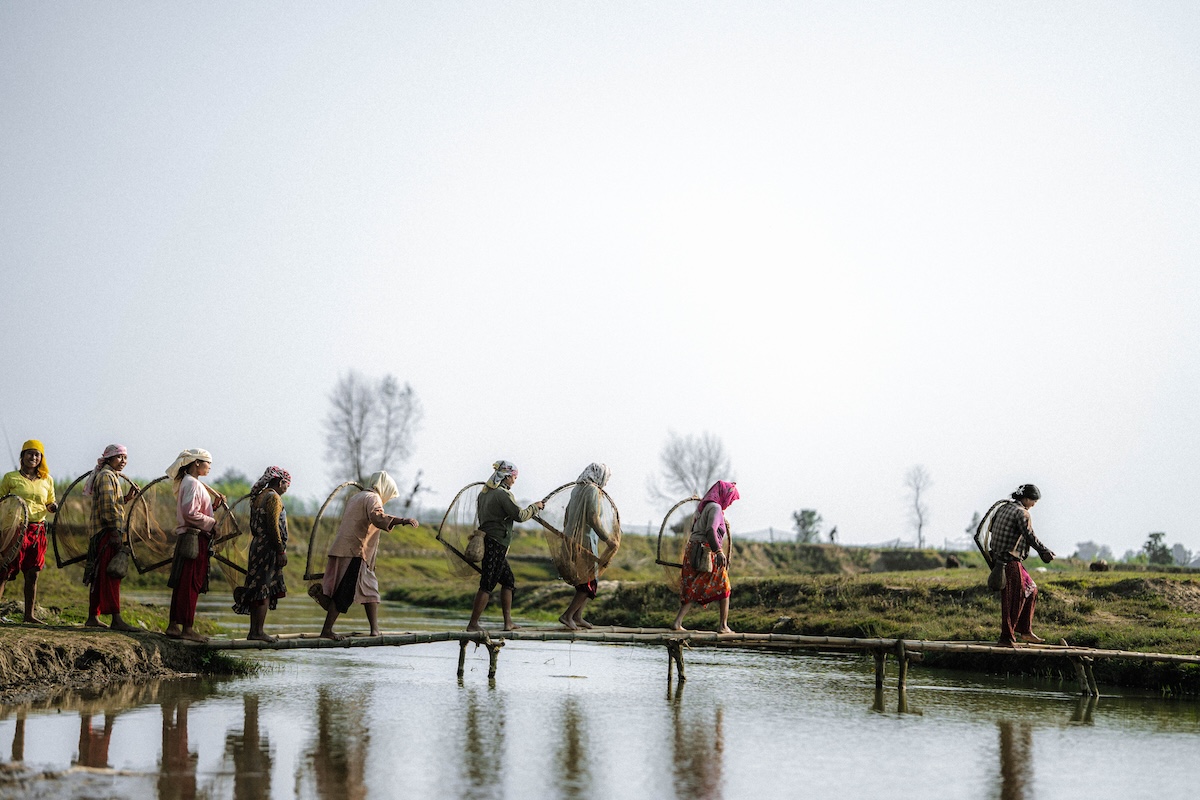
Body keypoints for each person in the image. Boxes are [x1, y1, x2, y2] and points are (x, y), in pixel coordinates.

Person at [318, 471, 417, 640]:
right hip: (355, 550)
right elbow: (377, 518)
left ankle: (374, 630)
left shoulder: (357, 497)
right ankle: (327, 630)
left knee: (370, 588)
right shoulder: (373, 498)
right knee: (345, 591)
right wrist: (403, 520)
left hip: (350, 549)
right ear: (384, 488)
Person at [466, 461, 544, 632]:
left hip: (491, 540)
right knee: (487, 583)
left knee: (508, 581)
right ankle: (473, 624)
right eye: (514, 477)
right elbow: (520, 516)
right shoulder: (503, 495)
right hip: (496, 542)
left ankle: (508, 623)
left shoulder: (485, 493)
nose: (514, 481)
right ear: (507, 476)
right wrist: (535, 507)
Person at [164, 448, 224, 642]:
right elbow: (190, 513)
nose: (209, 467)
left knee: (183, 582)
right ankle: (187, 628)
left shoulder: (191, 483)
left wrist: (213, 508)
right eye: (208, 463)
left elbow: (195, 510)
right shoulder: (192, 483)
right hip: (194, 539)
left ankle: (174, 625)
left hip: (191, 537)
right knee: (190, 583)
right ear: (196, 463)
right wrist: (213, 523)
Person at [988, 483, 1054, 646]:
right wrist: (1044, 551)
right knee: (1012, 599)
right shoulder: (1022, 513)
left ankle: (1025, 631)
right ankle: (1007, 637)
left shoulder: (1003, 508)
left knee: (1031, 589)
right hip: (1009, 561)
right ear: (1026, 499)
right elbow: (1030, 536)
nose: (1033, 505)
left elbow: (990, 530)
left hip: (999, 558)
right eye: (1034, 502)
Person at [0, 440, 59, 623]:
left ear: (41, 458)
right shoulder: (11, 478)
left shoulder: (46, 479)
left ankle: (29, 615)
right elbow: (2, 501)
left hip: (37, 530)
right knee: (4, 570)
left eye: (37, 455)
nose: (33, 457)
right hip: (15, 529)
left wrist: (52, 506)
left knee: (33, 573)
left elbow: (50, 500)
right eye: (29, 454)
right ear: (22, 456)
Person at [82, 444, 139, 630]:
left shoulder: (109, 475)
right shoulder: (107, 476)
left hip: (103, 531)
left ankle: (93, 616)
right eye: (119, 457)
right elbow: (108, 508)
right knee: (112, 574)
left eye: (125, 457)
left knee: (99, 574)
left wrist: (127, 499)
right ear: (108, 459)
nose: (123, 461)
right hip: (107, 532)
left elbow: (113, 503)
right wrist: (115, 532)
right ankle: (116, 619)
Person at [233, 466, 291, 642]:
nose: (287, 488)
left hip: (257, 547)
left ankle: (255, 631)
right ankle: (257, 632)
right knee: (263, 589)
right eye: (287, 485)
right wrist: (280, 550)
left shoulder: (259, 496)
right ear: (280, 482)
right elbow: (273, 527)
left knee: (258, 588)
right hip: (268, 548)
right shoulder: (273, 497)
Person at [672, 480, 739, 634]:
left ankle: (677, 622)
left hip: (693, 550)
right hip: (706, 552)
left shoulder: (705, 507)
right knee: (725, 586)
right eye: (731, 499)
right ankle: (723, 626)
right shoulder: (715, 508)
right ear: (724, 496)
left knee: (694, 586)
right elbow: (710, 530)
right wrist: (719, 551)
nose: (730, 503)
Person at [557, 462, 616, 630]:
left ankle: (577, 616)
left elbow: (567, 514)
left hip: (572, 539)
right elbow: (593, 517)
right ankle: (567, 615)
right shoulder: (592, 490)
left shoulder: (577, 489)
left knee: (588, 580)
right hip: (585, 541)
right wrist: (607, 539)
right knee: (587, 582)